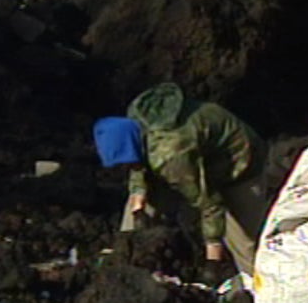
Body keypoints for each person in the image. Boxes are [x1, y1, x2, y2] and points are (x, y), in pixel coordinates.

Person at [93, 82, 268, 278]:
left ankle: (261, 286)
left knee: (243, 240)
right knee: (142, 208)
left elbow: (210, 205)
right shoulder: (136, 125)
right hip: (196, 152)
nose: (122, 170)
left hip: (239, 163)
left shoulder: (171, 154)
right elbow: (137, 166)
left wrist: (213, 261)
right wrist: (138, 206)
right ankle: (122, 261)